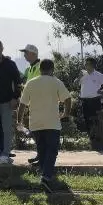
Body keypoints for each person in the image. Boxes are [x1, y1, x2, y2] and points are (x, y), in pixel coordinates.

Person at [17, 59, 71, 193]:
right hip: (52, 122)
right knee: (52, 150)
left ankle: (43, 175)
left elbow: (22, 104)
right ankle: (46, 177)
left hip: (35, 123)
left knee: (41, 151)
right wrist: (65, 114)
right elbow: (68, 99)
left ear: (40, 69)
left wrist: (19, 122)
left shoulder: (31, 83)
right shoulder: (56, 82)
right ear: (52, 69)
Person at [78, 57, 103, 148]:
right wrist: (79, 77)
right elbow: (75, 84)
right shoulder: (82, 74)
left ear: (93, 65)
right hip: (85, 101)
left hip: (95, 100)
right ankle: (91, 140)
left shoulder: (98, 75)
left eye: (88, 64)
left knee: (96, 120)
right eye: (85, 64)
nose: (86, 65)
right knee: (87, 120)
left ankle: (98, 141)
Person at [20, 44, 42, 165]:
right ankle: (40, 155)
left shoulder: (40, 66)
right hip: (33, 105)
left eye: (26, 53)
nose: (24, 55)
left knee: (39, 132)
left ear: (33, 54)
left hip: (39, 105)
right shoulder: (31, 68)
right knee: (35, 132)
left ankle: (42, 156)